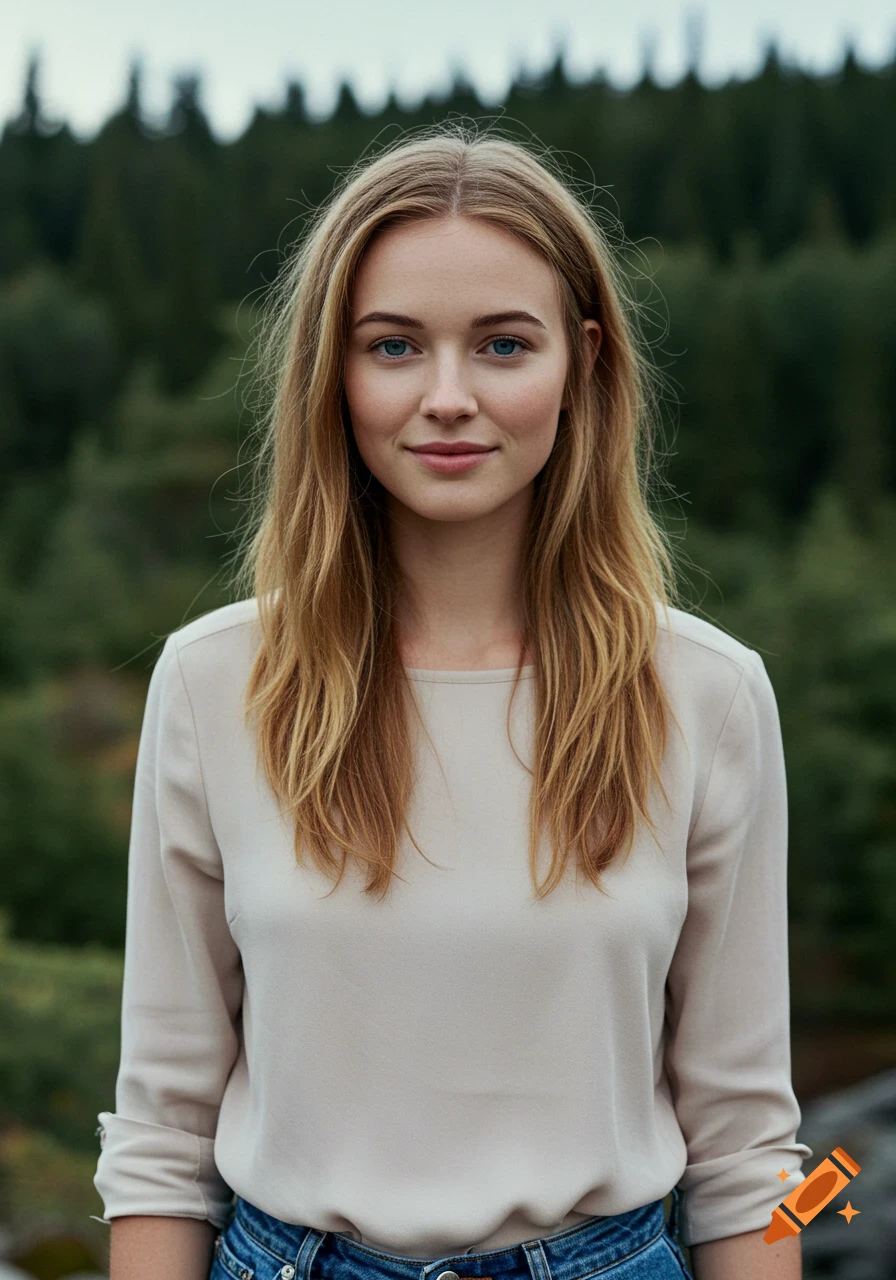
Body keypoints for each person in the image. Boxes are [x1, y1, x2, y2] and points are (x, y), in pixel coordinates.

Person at [93, 124, 812, 1280]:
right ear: (331, 371)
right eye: (392, 345)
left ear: (581, 361)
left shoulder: (707, 695)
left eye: (501, 345)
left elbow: (753, 1154)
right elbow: (159, 1136)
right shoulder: (212, 682)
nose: (445, 397)